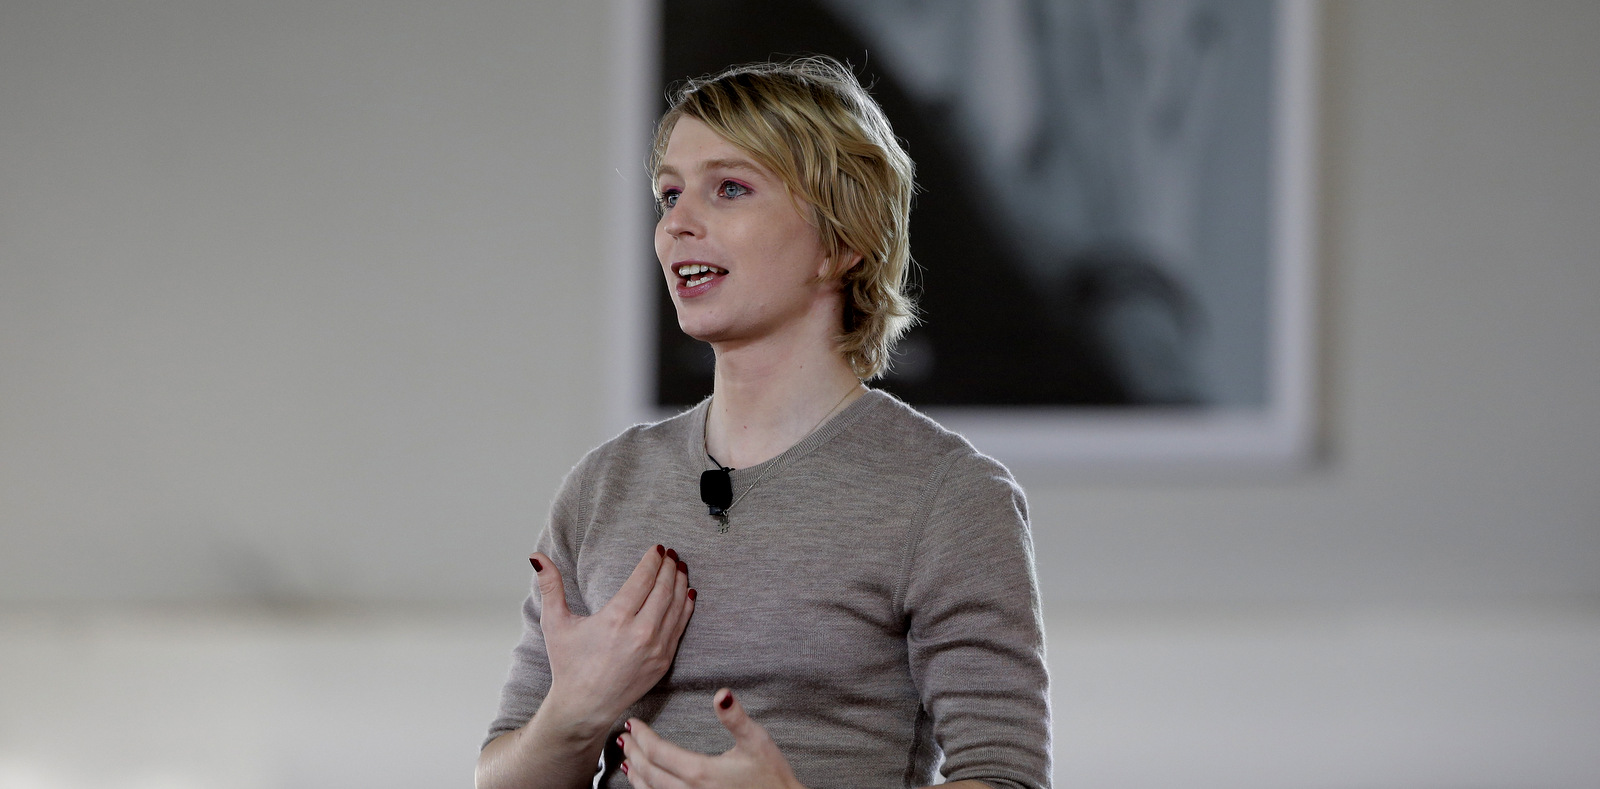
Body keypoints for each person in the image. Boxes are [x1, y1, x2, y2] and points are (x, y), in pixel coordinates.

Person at [476, 56, 1050, 789]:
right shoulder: (603, 485)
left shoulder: (948, 494)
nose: (677, 224)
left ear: (842, 241)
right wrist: (574, 714)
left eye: (730, 188)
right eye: (669, 194)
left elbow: (1006, 777)